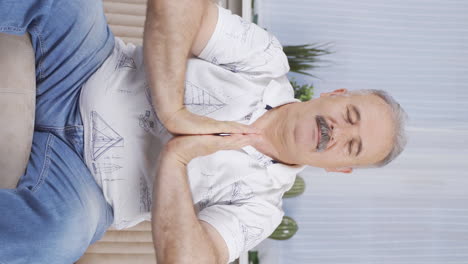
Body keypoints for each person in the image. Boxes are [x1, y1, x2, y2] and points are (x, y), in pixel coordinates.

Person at [0, 0, 407, 264]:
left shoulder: (261, 209)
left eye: (351, 147)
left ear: (339, 169)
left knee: (55, 242)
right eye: (350, 114)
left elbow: (188, 260)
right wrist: (174, 111)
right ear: (335, 94)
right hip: (86, 67)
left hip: (85, 188)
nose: (339, 132)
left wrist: (176, 159)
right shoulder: (264, 59)